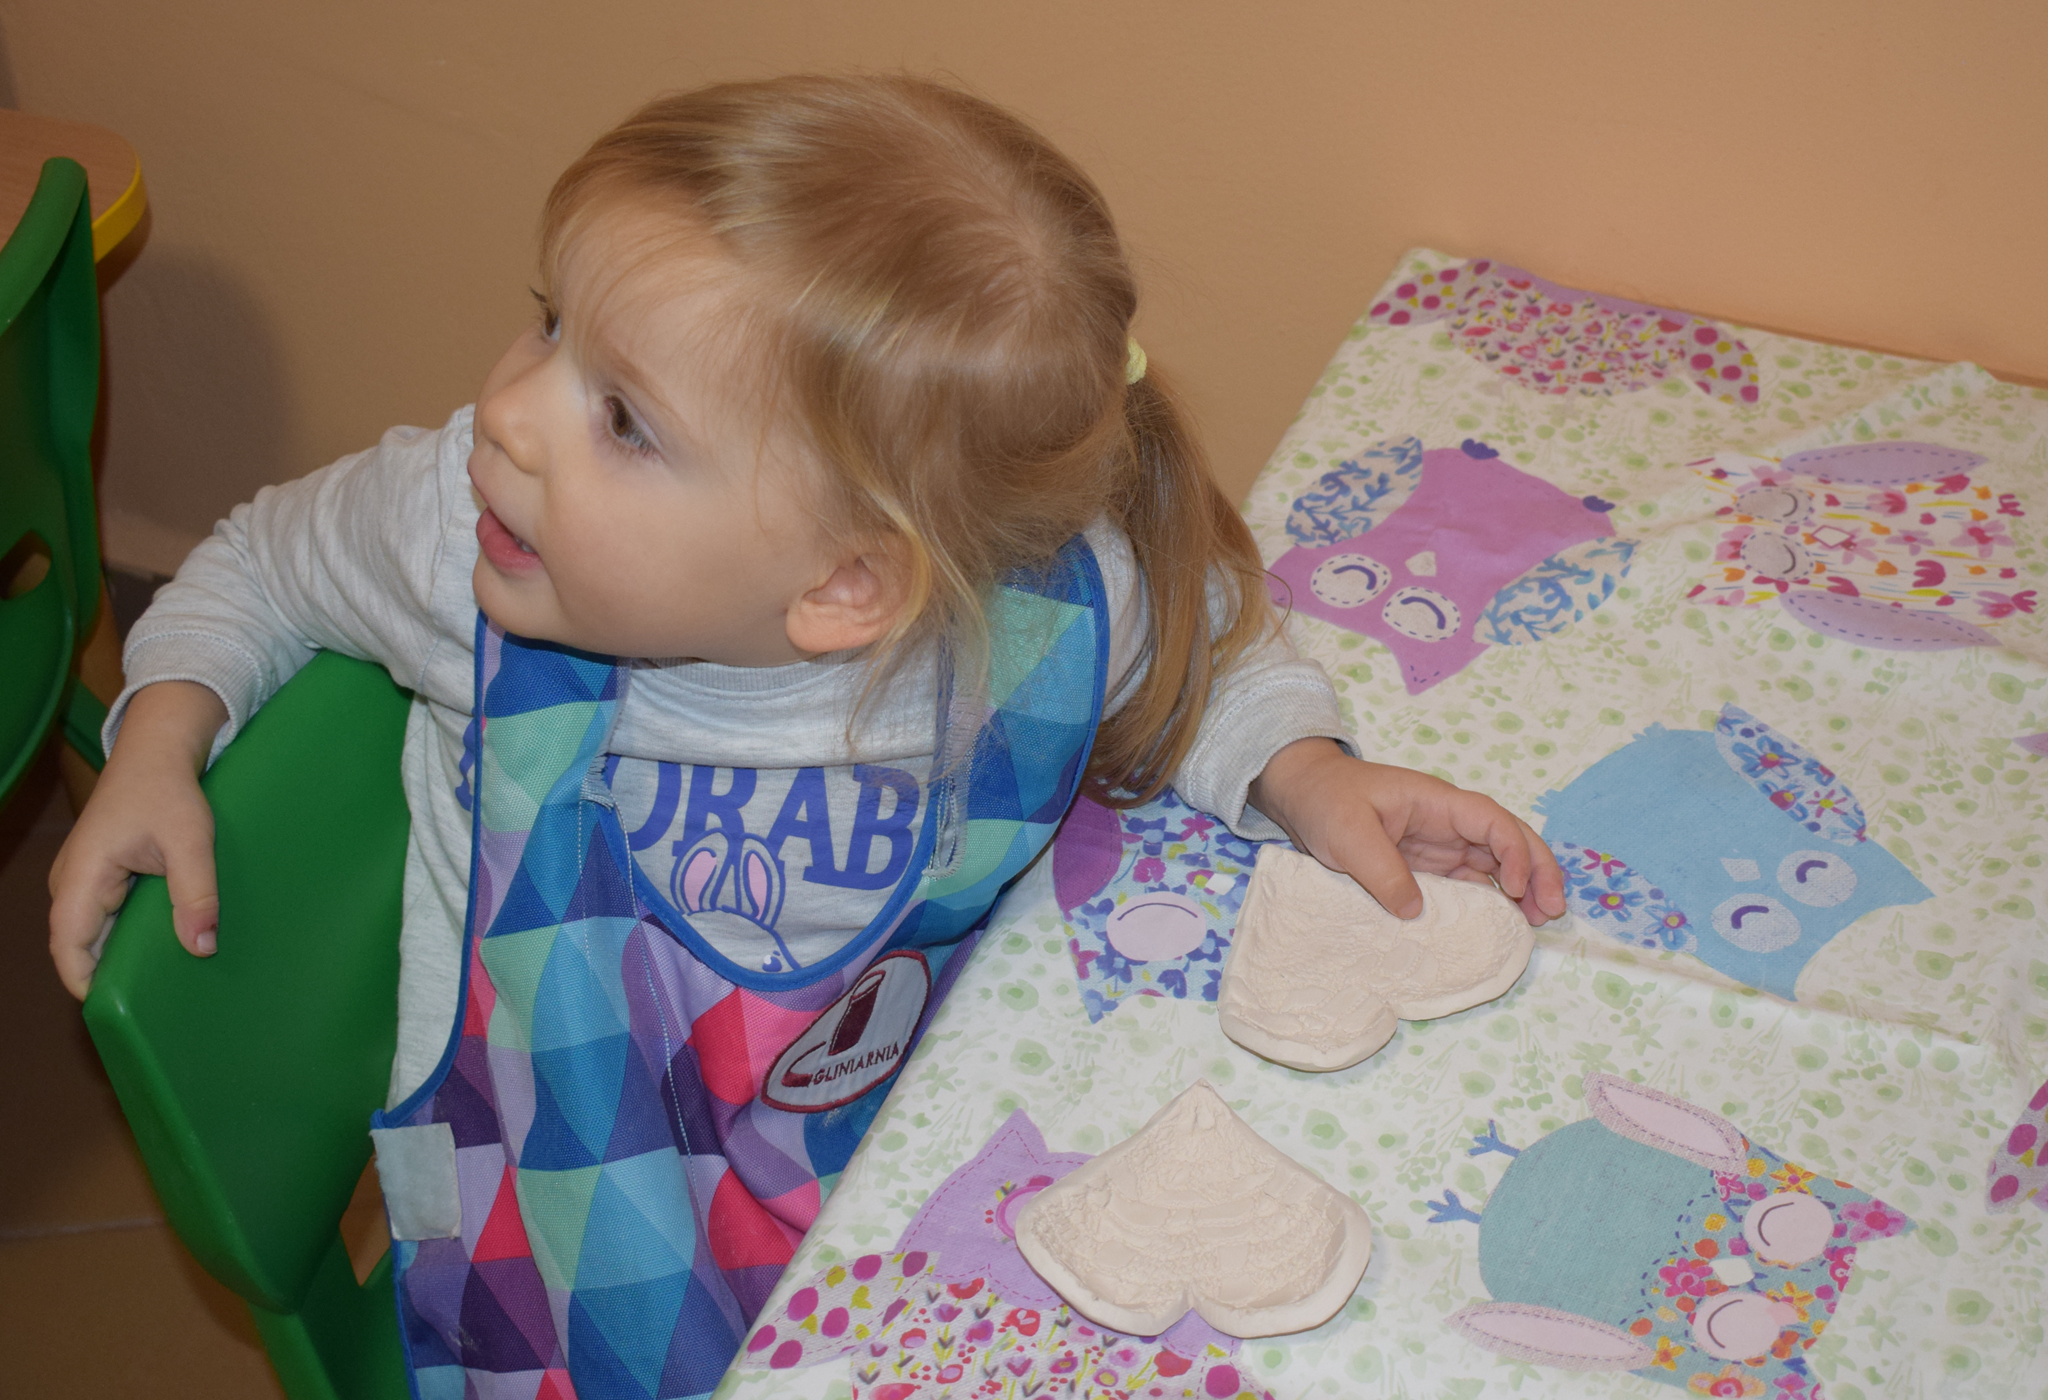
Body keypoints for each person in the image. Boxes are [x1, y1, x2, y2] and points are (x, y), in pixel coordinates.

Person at [49, 75, 1564, 1396]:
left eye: (623, 418)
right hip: (582, 1254)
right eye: (552, 327)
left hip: (896, 1165)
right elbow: (261, 563)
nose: (509, 415)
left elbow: (1197, 641)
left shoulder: (1035, 604)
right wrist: (163, 731)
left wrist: (1306, 771)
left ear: (851, 586)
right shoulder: (461, 543)